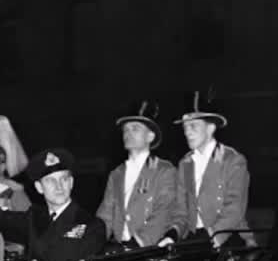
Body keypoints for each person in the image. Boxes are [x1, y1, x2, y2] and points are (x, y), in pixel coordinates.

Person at [0, 139, 107, 261]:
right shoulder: (33, 218)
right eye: (50, 181)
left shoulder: (92, 226)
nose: (58, 186)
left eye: (63, 179)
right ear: (39, 187)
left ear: (71, 183)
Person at [158, 89, 253, 249]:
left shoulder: (233, 160)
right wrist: (172, 235)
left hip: (227, 239)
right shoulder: (185, 164)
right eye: (185, 127)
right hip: (196, 240)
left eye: (193, 126)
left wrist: (211, 236)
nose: (187, 132)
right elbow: (182, 212)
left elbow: (234, 210)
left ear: (211, 128)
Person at [96, 100, 178, 249]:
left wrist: (137, 243)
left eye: (135, 128)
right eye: (125, 130)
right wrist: (92, 241)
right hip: (120, 250)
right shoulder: (116, 174)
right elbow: (105, 215)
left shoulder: (164, 171)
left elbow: (163, 214)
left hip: (150, 251)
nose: (128, 133)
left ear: (150, 137)